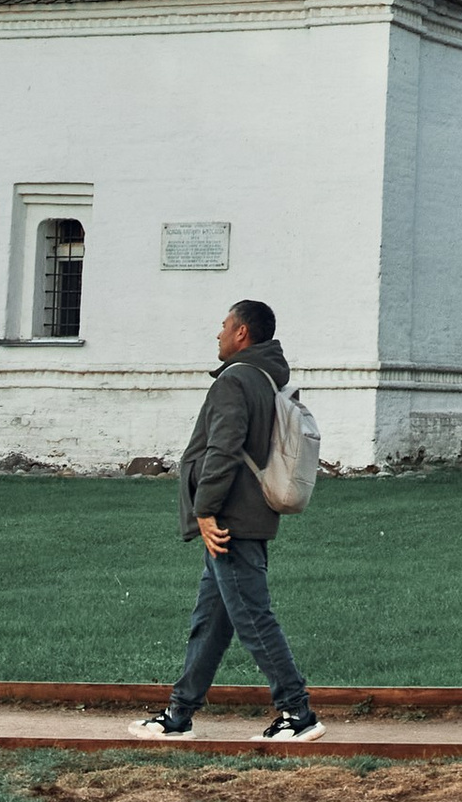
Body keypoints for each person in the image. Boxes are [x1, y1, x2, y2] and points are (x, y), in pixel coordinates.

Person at [130, 299, 323, 741]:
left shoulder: (235, 381)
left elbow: (223, 450)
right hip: (241, 518)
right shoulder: (263, 379)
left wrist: (205, 510)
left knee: (254, 618)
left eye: (223, 326)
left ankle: (298, 713)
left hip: (229, 521)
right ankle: (178, 715)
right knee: (210, 623)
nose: (217, 333)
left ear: (242, 334)